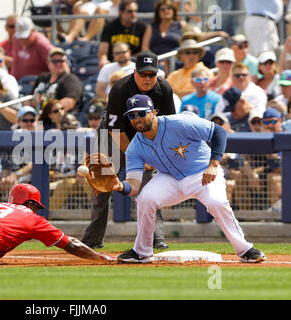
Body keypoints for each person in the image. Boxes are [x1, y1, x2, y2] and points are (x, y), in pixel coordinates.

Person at [113, 93, 266, 263]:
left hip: (202, 172)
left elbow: (218, 132)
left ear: (154, 112)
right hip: (169, 178)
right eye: (132, 115)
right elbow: (133, 185)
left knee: (216, 202)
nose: (137, 118)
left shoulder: (179, 123)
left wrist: (213, 164)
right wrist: (120, 186)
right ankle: (141, 252)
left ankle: (245, 249)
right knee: (145, 199)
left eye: (141, 113)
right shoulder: (135, 146)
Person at [81, 51, 174, 249]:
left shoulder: (164, 89)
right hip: (112, 137)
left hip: (145, 137)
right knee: (102, 186)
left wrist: (154, 155)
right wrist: (137, 155)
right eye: (143, 74)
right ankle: (92, 239)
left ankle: (155, 238)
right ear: (135, 72)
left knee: (150, 187)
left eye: (152, 74)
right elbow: (117, 132)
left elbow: (167, 125)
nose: (147, 78)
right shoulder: (120, 89)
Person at [31, 47, 83, 114]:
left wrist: (45, 114)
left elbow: (69, 103)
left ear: (66, 62)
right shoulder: (43, 77)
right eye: (54, 61)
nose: (58, 64)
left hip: (58, 120)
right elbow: (29, 98)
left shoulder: (71, 80)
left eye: (61, 61)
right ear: (49, 63)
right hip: (37, 117)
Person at [97, 0, 147, 69]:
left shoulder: (142, 27)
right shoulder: (110, 26)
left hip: (134, 65)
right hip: (114, 64)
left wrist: (127, 59)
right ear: (121, 12)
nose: (134, 14)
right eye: (130, 11)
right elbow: (103, 51)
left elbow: (145, 50)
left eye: (135, 11)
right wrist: (103, 59)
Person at [141, 0, 185, 74]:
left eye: (169, 8)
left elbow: (193, 37)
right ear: (158, 12)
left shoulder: (181, 25)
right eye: (162, 9)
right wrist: (156, 60)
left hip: (175, 61)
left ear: (173, 10)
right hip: (155, 63)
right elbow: (145, 48)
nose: (166, 11)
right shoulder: (151, 27)